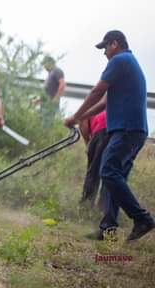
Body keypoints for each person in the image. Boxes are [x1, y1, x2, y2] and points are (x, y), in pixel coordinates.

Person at [65, 30, 154, 242]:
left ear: (115, 44)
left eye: (105, 47)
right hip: (133, 130)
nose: (104, 52)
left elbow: (97, 91)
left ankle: (143, 218)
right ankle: (108, 229)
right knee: (115, 176)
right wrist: (79, 118)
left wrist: (76, 115)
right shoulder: (128, 63)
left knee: (108, 172)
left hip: (126, 129)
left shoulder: (120, 60)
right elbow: (103, 102)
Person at [79, 109, 109, 210]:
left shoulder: (91, 105)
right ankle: (104, 208)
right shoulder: (109, 100)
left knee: (93, 171)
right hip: (117, 130)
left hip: (101, 129)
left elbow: (83, 124)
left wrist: (88, 143)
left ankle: (86, 206)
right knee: (110, 173)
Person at [39, 56, 65, 128]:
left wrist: (56, 98)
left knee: (48, 124)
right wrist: (39, 99)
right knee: (43, 123)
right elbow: (48, 91)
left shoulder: (57, 71)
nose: (44, 66)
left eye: (44, 64)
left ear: (50, 63)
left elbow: (62, 84)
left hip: (51, 104)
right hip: (45, 104)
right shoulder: (50, 74)